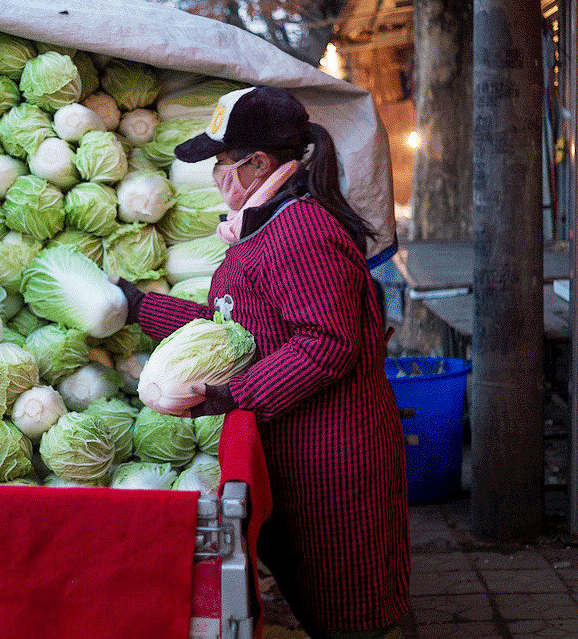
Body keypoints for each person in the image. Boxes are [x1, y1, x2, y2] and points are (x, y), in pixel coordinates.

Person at [118, 86, 410, 638]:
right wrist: (141, 306)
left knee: (352, 613)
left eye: (221, 163)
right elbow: (230, 327)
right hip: (295, 452)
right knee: (318, 601)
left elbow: (327, 343)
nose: (215, 175)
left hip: (333, 461)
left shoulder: (300, 231)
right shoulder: (264, 225)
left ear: (257, 164)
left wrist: (235, 395)